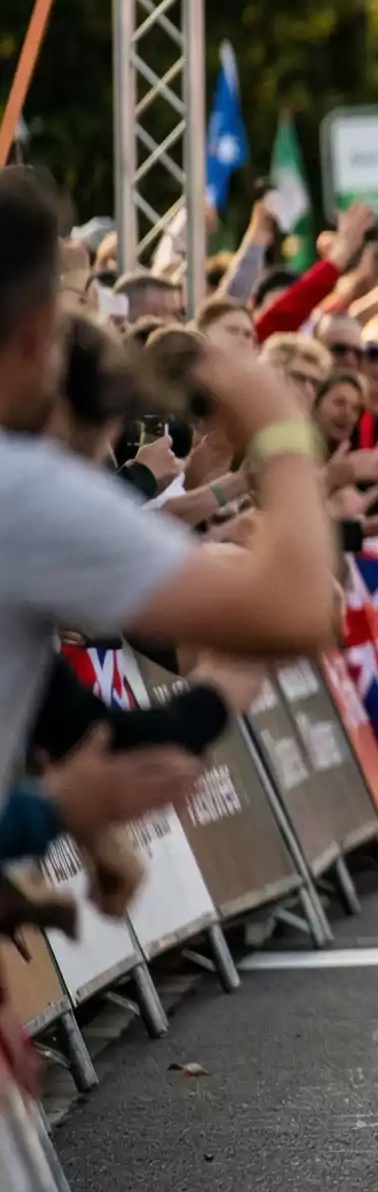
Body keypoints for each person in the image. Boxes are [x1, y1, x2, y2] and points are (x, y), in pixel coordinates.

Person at [0, 169, 337, 813]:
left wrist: (44, 823)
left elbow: (84, 735)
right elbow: (296, 610)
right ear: (37, 330)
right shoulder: (20, 487)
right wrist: (281, 430)